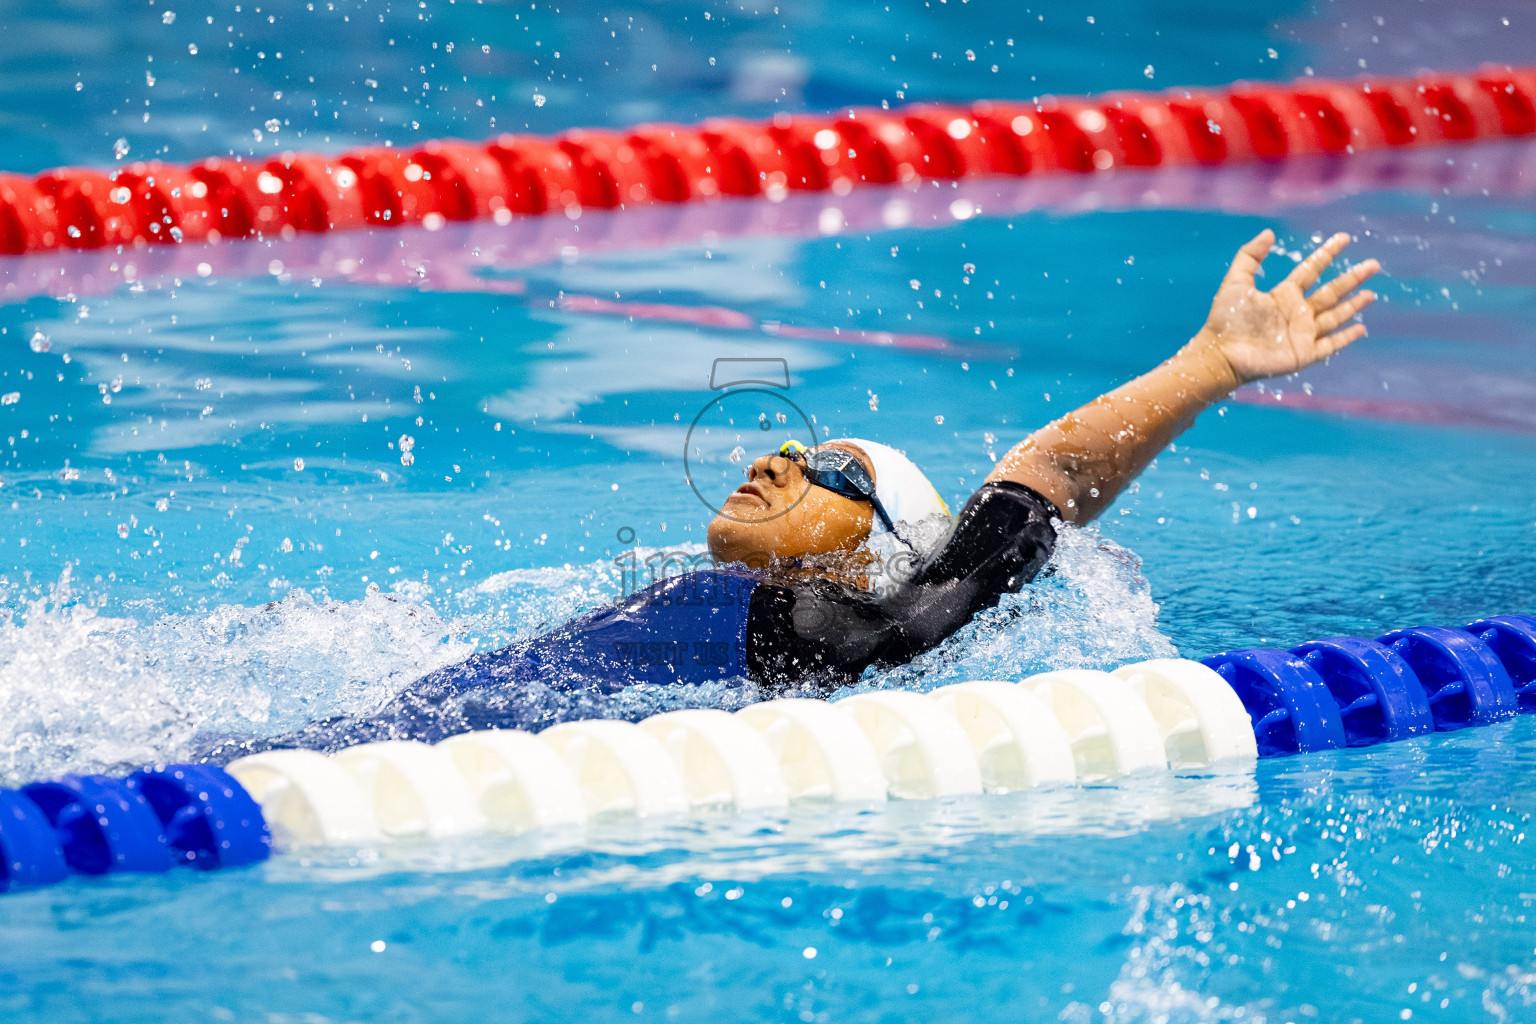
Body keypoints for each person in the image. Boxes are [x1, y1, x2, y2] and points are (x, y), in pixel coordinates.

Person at [237, 229, 1379, 754]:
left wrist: (1208, 365)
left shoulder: (806, 628)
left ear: (872, 552)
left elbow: (1015, 515)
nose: (779, 458)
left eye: (835, 472)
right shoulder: (707, 615)